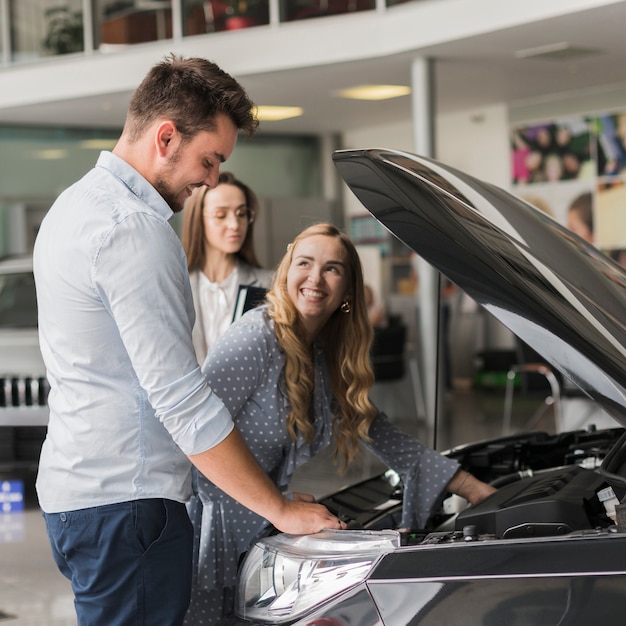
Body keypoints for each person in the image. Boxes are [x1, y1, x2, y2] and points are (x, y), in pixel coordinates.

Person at [32, 55, 343, 626]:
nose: (212, 180)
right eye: (210, 159)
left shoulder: (71, 208)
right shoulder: (133, 231)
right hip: (127, 506)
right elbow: (181, 400)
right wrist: (276, 508)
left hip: (81, 496)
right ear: (166, 136)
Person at [185, 222, 497, 623]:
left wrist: (468, 486)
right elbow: (192, 438)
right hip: (208, 536)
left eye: (332, 268)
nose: (315, 278)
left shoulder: (321, 352)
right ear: (286, 271)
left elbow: (375, 428)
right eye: (305, 263)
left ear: (348, 291)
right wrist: (273, 504)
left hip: (256, 525)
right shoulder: (255, 337)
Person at [182, 173, 274, 364]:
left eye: (241, 214)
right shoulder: (177, 286)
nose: (234, 225)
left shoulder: (270, 285)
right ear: (198, 219)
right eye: (221, 215)